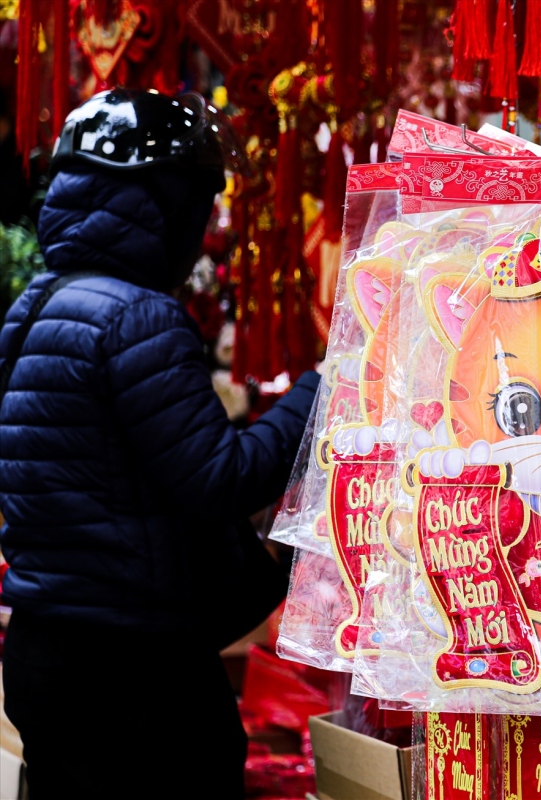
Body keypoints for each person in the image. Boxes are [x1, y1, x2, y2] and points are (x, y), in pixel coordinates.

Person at [0, 89, 319, 798]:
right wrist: (319, 392)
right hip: (132, 670)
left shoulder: (36, 306)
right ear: (165, 206)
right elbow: (219, 480)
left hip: (46, 650)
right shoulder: (136, 316)